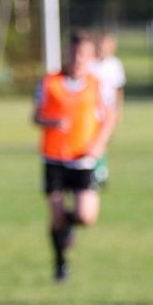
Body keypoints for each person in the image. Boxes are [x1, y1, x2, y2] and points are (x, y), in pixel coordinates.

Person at [33, 30, 117, 282]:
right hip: (54, 157)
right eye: (74, 52)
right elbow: (35, 116)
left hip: (83, 159)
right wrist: (50, 121)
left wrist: (99, 144)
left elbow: (109, 117)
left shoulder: (97, 84)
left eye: (84, 54)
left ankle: (68, 227)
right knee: (56, 214)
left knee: (86, 215)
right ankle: (60, 264)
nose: (78, 58)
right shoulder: (50, 81)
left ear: (91, 57)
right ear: (67, 53)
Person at [91, 32, 126, 187]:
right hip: (91, 109)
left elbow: (119, 89)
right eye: (100, 44)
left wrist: (118, 110)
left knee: (103, 140)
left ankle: (100, 170)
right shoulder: (90, 63)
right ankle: (96, 170)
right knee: (92, 139)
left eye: (106, 45)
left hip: (108, 110)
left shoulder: (115, 64)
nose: (103, 48)